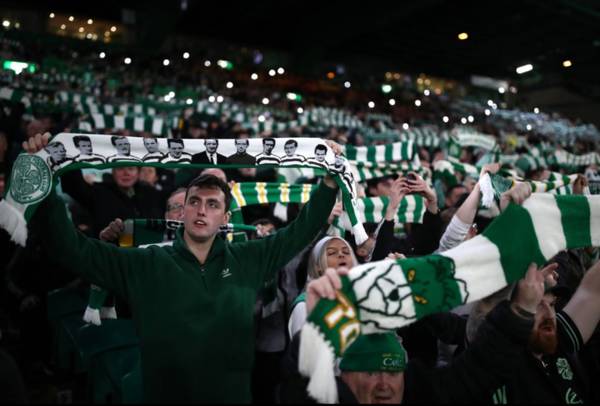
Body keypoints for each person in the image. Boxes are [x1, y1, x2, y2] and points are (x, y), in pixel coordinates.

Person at [24, 132, 341, 403]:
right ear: (182, 210)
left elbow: (300, 231)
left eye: (213, 204)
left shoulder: (249, 258)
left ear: (225, 219)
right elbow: (71, 249)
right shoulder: (146, 261)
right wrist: (46, 185)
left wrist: (328, 180)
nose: (202, 210)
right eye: (194, 201)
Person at [288, 236, 358, 338]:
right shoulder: (304, 305)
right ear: (318, 266)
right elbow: (304, 351)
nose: (341, 255)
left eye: (346, 252)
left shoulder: (360, 299)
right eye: (331, 253)